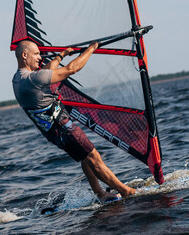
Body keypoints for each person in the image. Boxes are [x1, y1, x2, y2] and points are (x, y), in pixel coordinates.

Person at [12, 40, 136, 201]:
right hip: (63, 127)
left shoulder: (18, 79)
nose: (39, 57)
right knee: (94, 158)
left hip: (54, 133)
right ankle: (126, 191)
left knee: (85, 156)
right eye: (36, 54)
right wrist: (92, 48)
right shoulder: (33, 78)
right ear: (24, 55)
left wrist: (61, 55)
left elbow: (46, 71)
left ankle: (100, 194)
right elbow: (72, 69)